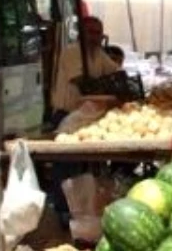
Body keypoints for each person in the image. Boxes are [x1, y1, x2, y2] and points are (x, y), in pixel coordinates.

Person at [47, 16, 120, 237]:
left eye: (98, 33)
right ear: (81, 33)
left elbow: (114, 71)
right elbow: (83, 83)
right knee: (66, 166)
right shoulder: (72, 53)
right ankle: (62, 210)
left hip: (86, 118)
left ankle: (83, 211)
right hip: (66, 115)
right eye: (91, 32)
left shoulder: (98, 54)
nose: (96, 37)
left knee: (82, 168)